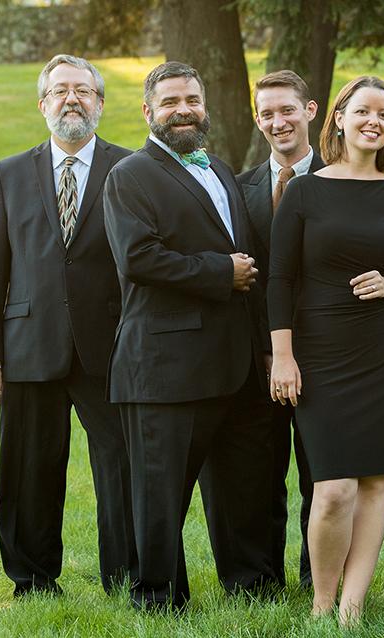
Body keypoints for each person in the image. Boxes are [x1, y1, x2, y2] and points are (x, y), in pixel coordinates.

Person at [103, 61, 276, 609]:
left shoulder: (220, 169)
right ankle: (158, 597)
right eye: (171, 102)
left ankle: (253, 586)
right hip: (166, 365)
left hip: (235, 361)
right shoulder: (129, 175)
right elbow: (138, 258)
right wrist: (221, 272)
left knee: (242, 484)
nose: (184, 111)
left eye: (193, 101)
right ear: (148, 111)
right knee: (161, 492)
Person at [267, 76, 384, 626]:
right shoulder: (304, 192)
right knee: (334, 487)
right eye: (363, 111)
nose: (374, 122)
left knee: (374, 483)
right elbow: (279, 279)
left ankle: (352, 608)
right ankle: (322, 604)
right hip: (321, 355)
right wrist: (283, 356)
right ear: (338, 118)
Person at [0, 54, 136, 598]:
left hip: (110, 346)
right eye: (61, 90)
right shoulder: (10, 173)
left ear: (100, 102)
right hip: (28, 346)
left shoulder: (129, 168)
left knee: (122, 466)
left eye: (83, 90)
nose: (72, 99)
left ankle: (128, 575)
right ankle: (33, 579)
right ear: (42, 104)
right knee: (30, 468)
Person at [237, 70, 323, 588]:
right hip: (259, 362)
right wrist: (265, 350)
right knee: (259, 476)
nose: (278, 122)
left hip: (325, 357)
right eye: (266, 114)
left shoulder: (342, 179)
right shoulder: (238, 188)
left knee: (322, 477)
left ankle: (320, 578)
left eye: (287, 110)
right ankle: (261, 582)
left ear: (310, 111)